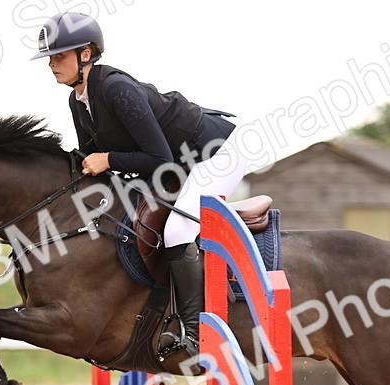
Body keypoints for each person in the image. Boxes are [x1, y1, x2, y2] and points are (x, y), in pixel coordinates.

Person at [32, 12, 249, 358]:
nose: (52, 65)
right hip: (179, 163)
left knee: (177, 229)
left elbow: (155, 158)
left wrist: (109, 160)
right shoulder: (77, 100)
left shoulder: (117, 89)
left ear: (85, 54)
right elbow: (91, 160)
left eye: (59, 56)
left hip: (217, 152)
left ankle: (195, 333)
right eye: (50, 58)